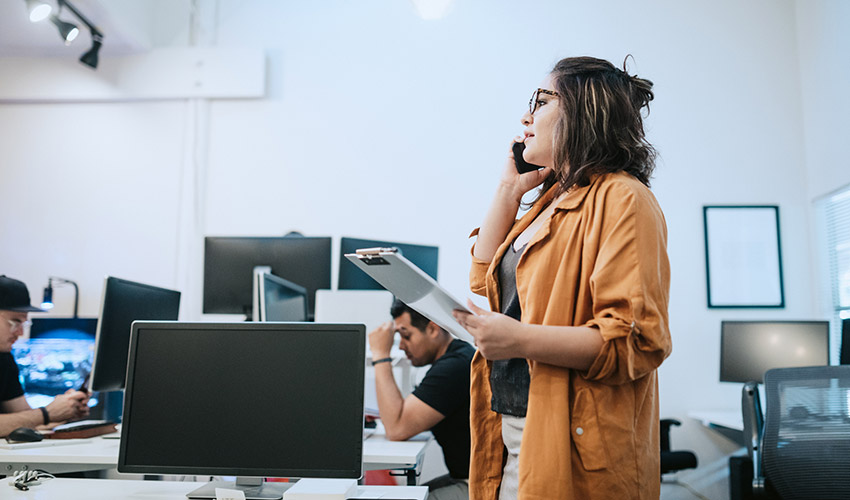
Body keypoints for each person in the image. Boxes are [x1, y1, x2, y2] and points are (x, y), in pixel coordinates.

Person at [452, 56, 672, 499]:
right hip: (512, 425)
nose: (525, 116)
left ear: (583, 109)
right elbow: (483, 278)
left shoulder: (623, 198)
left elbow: (635, 341)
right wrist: (509, 189)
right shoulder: (551, 198)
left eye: (540, 101)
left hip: (572, 439)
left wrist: (519, 340)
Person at [368, 298, 475, 500]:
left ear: (433, 329)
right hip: (468, 477)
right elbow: (402, 419)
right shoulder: (457, 357)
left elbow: (396, 428)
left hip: (477, 484)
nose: (401, 346)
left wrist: (380, 354)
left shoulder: (454, 367)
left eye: (406, 336)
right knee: (404, 494)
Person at [0, 275, 90, 437]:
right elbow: (37, 418)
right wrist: (47, 413)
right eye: (15, 322)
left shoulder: (4, 359)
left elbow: (25, 420)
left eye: (24, 324)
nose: (20, 332)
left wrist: (66, 410)